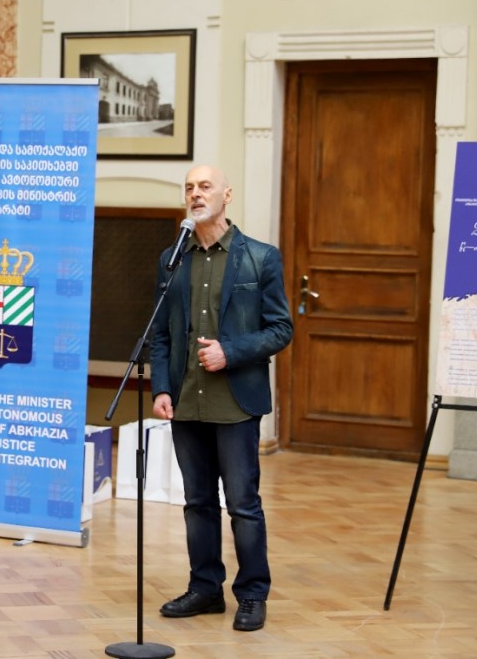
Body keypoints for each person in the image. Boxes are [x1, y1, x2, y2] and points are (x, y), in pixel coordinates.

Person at [149, 164, 293, 632]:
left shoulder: (260, 258)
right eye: (189, 188)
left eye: (205, 186)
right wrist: (162, 387)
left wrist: (231, 351)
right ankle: (205, 588)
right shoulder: (172, 258)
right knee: (197, 502)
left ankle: (252, 594)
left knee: (242, 503)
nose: (195, 194)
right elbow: (160, 333)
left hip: (235, 402)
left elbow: (281, 329)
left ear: (226, 195)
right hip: (185, 399)